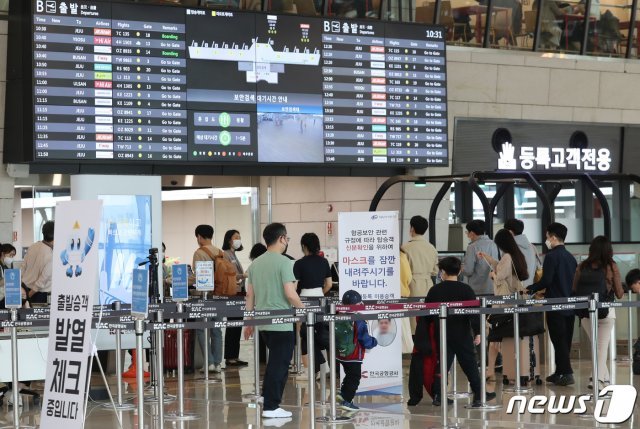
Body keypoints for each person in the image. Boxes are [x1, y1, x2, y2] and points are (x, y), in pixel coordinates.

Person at [243, 223, 304, 419]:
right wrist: (303, 310)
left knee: (273, 364)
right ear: (281, 239)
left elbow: (250, 296)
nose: (287, 241)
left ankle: (267, 398)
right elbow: (290, 293)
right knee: (280, 365)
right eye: (287, 238)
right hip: (282, 322)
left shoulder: (256, 264)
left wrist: (249, 320)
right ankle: (271, 406)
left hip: (264, 323)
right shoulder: (285, 262)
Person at [425, 257, 496, 407]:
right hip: (462, 333)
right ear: (460, 271)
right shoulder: (466, 289)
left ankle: (438, 395)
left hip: (442, 333)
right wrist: (478, 332)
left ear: (443, 272)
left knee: (442, 365)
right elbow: (474, 313)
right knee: (469, 364)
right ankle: (479, 394)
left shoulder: (434, 290)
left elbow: (428, 313)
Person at [527, 222, 577, 386]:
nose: (547, 240)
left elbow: (547, 280)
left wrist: (531, 288)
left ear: (554, 237)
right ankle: (560, 372)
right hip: (570, 305)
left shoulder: (552, 256)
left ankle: (567, 373)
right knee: (565, 340)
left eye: (548, 237)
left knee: (558, 339)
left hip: (555, 303)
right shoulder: (570, 257)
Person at [572, 236, 624, 390]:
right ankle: (595, 379)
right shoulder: (611, 266)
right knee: (601, 347)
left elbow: (574, 289)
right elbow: (620, 293)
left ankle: (605, 379)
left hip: (585, 312)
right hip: (606, 312)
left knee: (597, 347)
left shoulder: (582, 266)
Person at [478, 229, 529, 382]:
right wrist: (487, 258)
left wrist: (492, 275)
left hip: (502, 302)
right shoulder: (516, 255)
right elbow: (501, 267)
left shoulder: (507, 256)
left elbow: (499, 275)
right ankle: (493, 370)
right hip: (511, 300)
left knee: (495, 336)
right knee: (500, 338)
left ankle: (492, 371)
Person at [293, 233, 331, 378]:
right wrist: (319, 292)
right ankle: (321, 366)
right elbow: (328, 284)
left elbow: (294, 286)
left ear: (304, 246)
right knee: (319, 334)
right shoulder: (324, 262)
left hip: (303, 300)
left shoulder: (299, 263)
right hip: (320, 300)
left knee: (304, 334)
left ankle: (314, 369)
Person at [336, 290, 378, 411]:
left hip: (340, 354)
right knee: (354, 377)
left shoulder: (338, 314)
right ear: (359, 304)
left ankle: (342, 394)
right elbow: (364, 340)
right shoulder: (358, 319)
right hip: (354, 355)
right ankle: (347, 401)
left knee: (349, 375)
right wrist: (374, 342)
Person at [193, 224, 224, 373]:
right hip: (219, 296)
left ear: (199, 237)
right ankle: (217, 363)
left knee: (201, 329)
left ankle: (209, 363)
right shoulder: (220, 252)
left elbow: (198, 277)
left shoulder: (199, 253)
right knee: (217, 330)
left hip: (205, 297)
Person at [401, 215, 438, 332]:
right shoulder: (431, 248)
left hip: (412, 285)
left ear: (412, 228)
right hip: (428, 285)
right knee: (427, 317)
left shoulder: (405, 248)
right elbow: (435, 270)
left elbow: (403, 270)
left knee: (413, 321)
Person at [222, 229, 248, 367]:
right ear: (229, 240)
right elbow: (228, 274)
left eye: (240, 237)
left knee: (237, 325)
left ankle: (234, 355)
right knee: (233, 325)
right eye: (236, 237)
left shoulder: (233, 254)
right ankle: (230, 356)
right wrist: (242, 276)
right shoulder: (226, 254)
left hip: (239, 292)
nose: (238, 239)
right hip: (233, 293)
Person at [461, 220, 499, 296]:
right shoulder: (494, 244)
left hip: (478, 290)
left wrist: (461, 267)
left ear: (471, 233)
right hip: (494, 288)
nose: (467, 235)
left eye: (467, 232)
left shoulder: (472, 247)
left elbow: (468, 270)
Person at [22, 221, 54, 304]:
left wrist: (24, 293)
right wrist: (28, 296)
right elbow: (43, 279)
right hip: (38, 294)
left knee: (24, 315)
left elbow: (23, 267)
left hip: (25, 289)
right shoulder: (51, 254)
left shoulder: (32, 246)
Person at [248, 242, 269, 364]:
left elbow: (249, 293)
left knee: (261, 332)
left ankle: (262, 358)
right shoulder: (270, 265)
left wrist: (249, 316)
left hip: (258, 304)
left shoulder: (253, 267)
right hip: (271, 305)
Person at [504, 218, 537, 288]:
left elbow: (504, 271)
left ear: (510, 232)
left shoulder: (508, 248)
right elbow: (537, 268)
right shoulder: (532, 247)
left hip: (513, 291)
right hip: (529, 290)